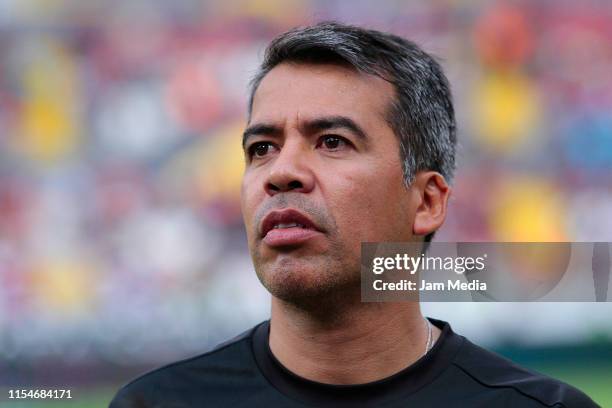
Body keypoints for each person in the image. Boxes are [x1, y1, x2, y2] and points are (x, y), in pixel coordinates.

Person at [110, 22, 598, 407]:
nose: (281, 173)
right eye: (261, 147)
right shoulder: (155, 403)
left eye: (332, 142)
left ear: (427, 202)